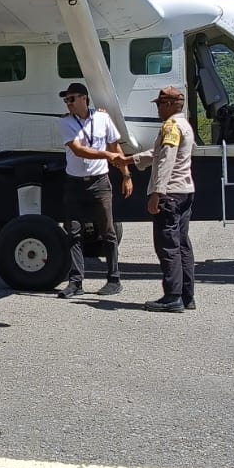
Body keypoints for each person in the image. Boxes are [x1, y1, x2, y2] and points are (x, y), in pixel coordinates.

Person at [54, 82, 131, 299]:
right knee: (74, 233)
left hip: (100, 183)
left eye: (71, 99)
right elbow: (79, 150)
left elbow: (116, 147)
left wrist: (126, 175)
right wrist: (107, 156)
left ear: (83, 98)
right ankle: (75, 282)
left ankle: (114, 279)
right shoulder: (66, 123)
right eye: (66, 100)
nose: (68, 103)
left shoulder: (102, 118)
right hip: (75, 183)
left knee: (108, 232)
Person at [130, 86, 197, 313]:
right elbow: (158, 154)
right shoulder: (184, 124)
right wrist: (131, 160)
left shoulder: (171, 126)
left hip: (170, 193)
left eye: (159, 104)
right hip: (185, 190)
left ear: (169, 104)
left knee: (167, 245)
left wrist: (157, 193)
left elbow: (166, 160)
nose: (157, 108)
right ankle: (187, 295)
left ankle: (172, 296)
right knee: (182, 245)